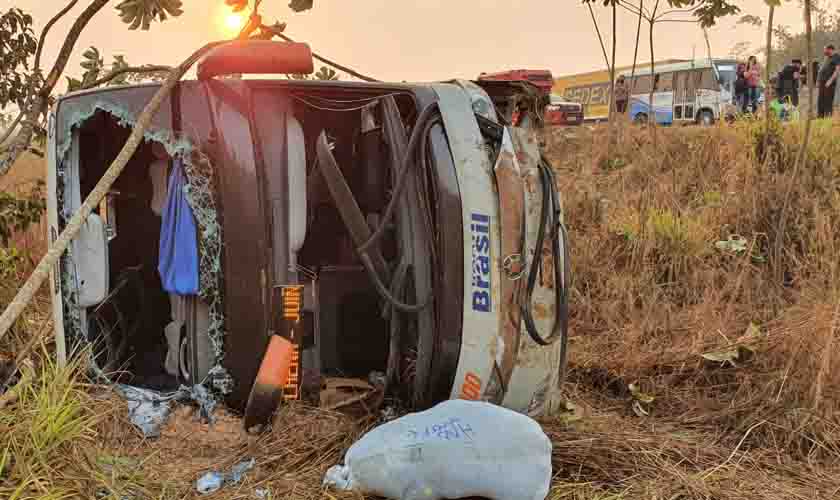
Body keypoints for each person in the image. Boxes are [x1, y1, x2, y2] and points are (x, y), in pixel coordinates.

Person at [817, 44, 840, 118]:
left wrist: (830, 80)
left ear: (830, 49)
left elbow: (837, 70)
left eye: (825, 49)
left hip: (829, 83)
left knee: (828, 100)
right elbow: (822, 69)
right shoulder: (827, 58)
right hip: (822, 82)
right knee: (820, 100)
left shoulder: (836, 57)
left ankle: (828, 117)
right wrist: (818, 80)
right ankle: (820, 117)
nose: (824, 51)